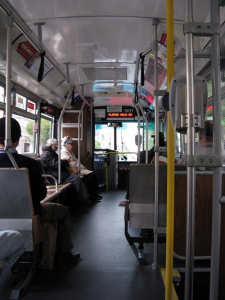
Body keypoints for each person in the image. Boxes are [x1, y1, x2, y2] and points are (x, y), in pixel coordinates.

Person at [0, 117, 80, 266]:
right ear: (17, 138)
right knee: (63, 211)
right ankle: (64, 253)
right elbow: (40, 195)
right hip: (30, 216)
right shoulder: (28, 164)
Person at [119, 131, 167, 206]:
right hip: (154, 170)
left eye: (155, 138)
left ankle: (129, 198)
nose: (154, 140)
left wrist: (142, 153)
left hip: (152, 172)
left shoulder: (158, 147)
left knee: (129, 176)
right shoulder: (161, 146)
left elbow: (149, 155)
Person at [41, 138, 90, 203]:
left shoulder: (50, 153)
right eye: (55, 147)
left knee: (76, 178)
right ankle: (84, 199)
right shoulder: (47, 154)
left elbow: (56, 163)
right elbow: (56, 165)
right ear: (51, 145)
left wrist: (64, 161)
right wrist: (66, 161)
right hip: (55, 176)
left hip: (58, 174)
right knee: (76, 178)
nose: (56, 148)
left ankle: (78, 198)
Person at [61, 136, 102, 201]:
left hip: (78, 168)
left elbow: (76, 161)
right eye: (71, 144)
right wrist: (80, 168)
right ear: (66, 144)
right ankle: (92, 194)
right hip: (74, 170)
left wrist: (82, 167)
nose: (72, 146)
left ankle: (95, 193)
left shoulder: (70, 152)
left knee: (92, 174)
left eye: (72, 144)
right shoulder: (64, 152)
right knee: (91, 175)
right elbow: (71, 163)